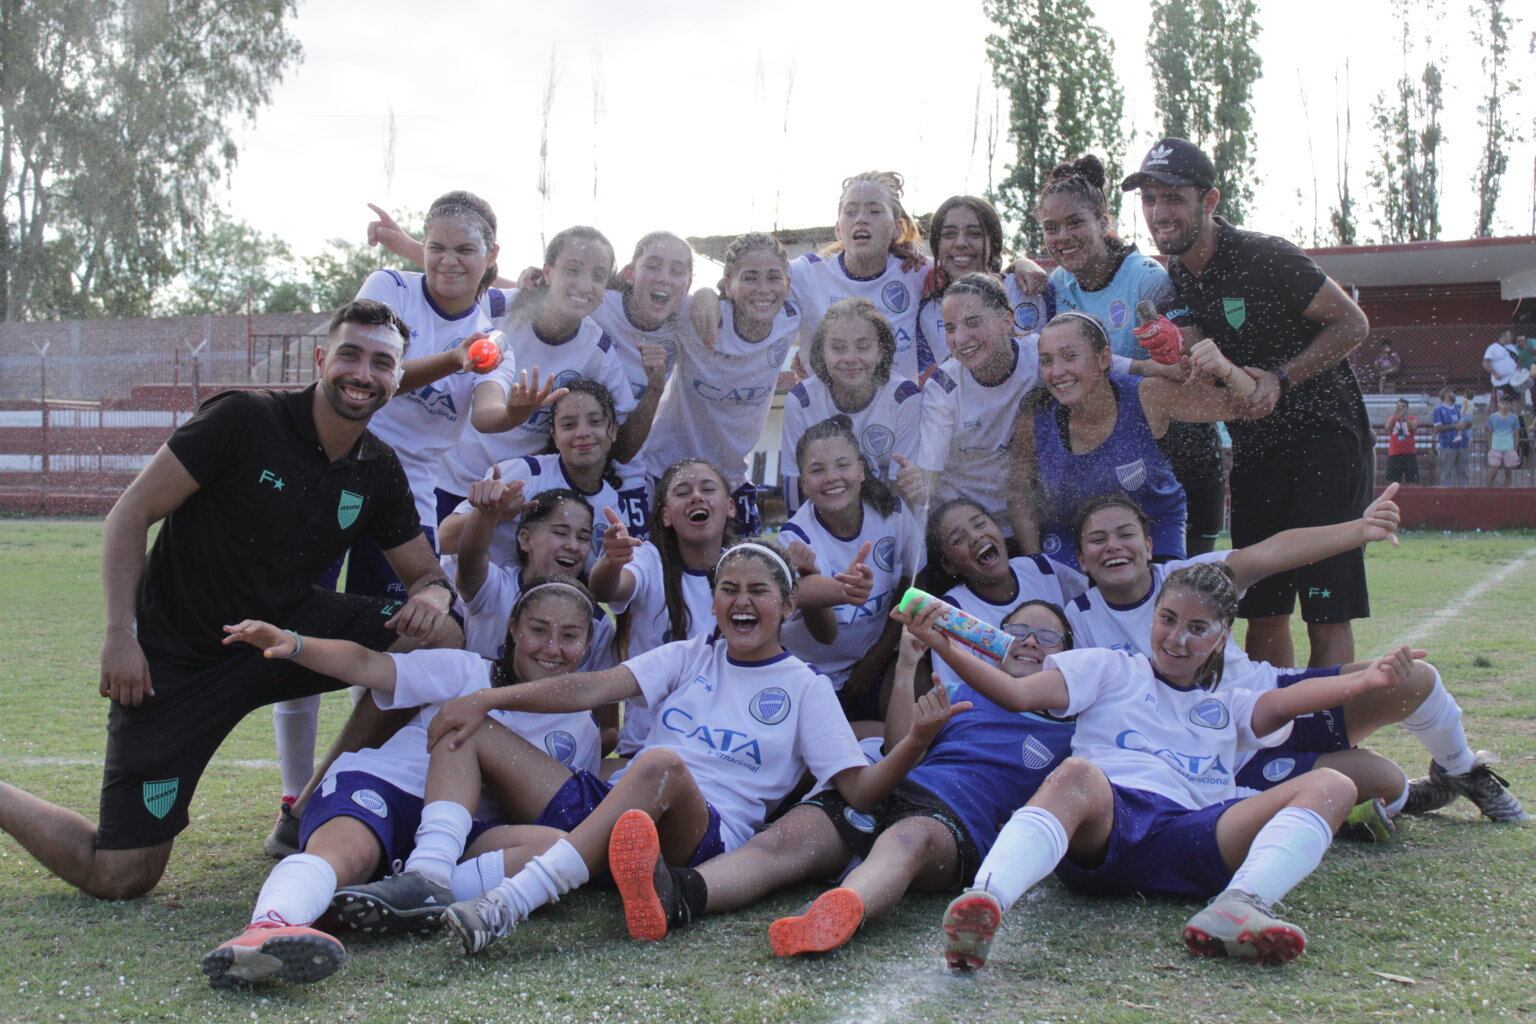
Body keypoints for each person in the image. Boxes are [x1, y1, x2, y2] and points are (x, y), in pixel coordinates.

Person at [0, 301, 462, 900]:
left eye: (381, 362)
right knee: (121, 875)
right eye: (350, 354)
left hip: (280, 636)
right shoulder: (245, 419)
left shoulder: (377, 468)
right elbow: (129, 514)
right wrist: (121, 634)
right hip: (178, 660)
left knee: (442, 640)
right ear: (323, 358)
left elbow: (427, 574)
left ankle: (311, 807)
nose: (363, 373)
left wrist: (430, 593)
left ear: (397, 379)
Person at [334, 539, 960, 955]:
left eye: (759, 591)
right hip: (618, 813)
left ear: (789, 605)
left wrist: (914, 742)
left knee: (660, 763)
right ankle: (427, 879)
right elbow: (593, 686)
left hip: (698, 832)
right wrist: (487, 700)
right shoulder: (691, 654)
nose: (742, 602)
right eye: (729, 589)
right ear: (713, 601)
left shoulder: (806, 687)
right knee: (460, 723)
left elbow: (861, 792)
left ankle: (510, 905)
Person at [907, 565, 1419, 968]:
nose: (1177, 639)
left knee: (1332, 783)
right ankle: (986, 901)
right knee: (1076, 774)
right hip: (1110, 827)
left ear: (1221, 639)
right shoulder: (1109, 667)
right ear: (1153, 616)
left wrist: (1364, 681)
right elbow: (1017, 695)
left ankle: (1239, 905)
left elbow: (1291, 698)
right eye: (1168, 619)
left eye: (1198, 629)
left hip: (1194, 836)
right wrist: (940, 642)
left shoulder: (1231, 703)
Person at [604, 600, 1077, 955]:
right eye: (1017, 630)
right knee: (781, 842)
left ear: (1069, 660)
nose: (1030, 641)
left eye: (1048, 636)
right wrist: (910, 672)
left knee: (906, 842)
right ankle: (677, 896)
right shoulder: (960, 690)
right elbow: (896, 746)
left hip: (955, 821)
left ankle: (835, 912)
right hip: (895, 787)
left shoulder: (1073, 732)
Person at [200, 577, 601, 988]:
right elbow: (367, 665)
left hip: (457, 836)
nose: (552, 648)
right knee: (346, 856)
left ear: (588, 644)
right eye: (538, 629)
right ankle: (265, 930)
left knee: (558, 846)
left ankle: (400, 895)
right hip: (387, 789)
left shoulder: (581, 728)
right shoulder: (466, 669)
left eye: (569, 635)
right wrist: (296, 643)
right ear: (514, 628)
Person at [1064, 493, 1527, 824]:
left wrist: (1359, 529)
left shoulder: (1191, 576)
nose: (1112, 546)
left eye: (1126, 534)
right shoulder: (1077, 618)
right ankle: (1381, 800)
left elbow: (1273, 552)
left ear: (1148, 545)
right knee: (1386, 781)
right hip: (1215, 756)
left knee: (1415, 680)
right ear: (1082, 558)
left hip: (1273, 699)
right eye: (1097, 540)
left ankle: (1462, 769)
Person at [1124, 137, 1373, 670]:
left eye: (1173, 197)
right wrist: (1177, 362)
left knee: (1327, 613)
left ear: (1208, 201)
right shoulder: (1178, 276)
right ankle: (1278, 745)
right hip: (1257, 447)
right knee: (1263, 607)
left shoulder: (1266, 255)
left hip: (1327, 443)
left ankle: (1334, 742)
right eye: (1149, 199)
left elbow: (1354, 322)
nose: (1158, 212)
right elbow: (1195, 354)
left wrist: (1282, 377)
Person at [1035, 155, 1227, 555]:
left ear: (1103, 221)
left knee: (1192, 598)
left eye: (1074, 223)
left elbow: (1188, 369)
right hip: (1110, 471)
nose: (1062, 237)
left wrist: (1127, 365)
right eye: (1051, 228)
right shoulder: (1057, 284)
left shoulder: (1147, 280)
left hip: (1180, 454)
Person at [1008, 310, 1255, 568]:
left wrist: (1225, 369)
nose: (1056, 372)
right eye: (1046, 361)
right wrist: (1034, 563)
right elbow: (1019, 491)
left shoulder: (1147, 396)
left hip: (1152, 533)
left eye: (1069, 356)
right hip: (1071, 538)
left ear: (1104, 358)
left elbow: (1247, 406)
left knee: (1154, 601)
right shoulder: (1036, 418)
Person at [439, 226, 637, 507]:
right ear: (547, 271)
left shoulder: (598, 350)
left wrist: (655, 388)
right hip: (447, 477)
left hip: (517, 495)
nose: (584, 284)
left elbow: (622, 435)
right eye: (572, 270)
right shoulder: (495, 309)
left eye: (598, 276)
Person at [642, 233, 800, 533]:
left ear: (788, 284)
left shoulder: (791, 319)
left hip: (728, 476)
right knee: (659, 570)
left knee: (744, 569)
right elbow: (639, 293)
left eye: (773, 278)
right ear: (728, 283)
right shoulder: (697, 316)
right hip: (662, 469)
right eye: (750, 278)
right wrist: (702, 292)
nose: (763, 289)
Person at [777, 415, 921, 719]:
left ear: (861, 470)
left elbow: (914, 581)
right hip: (807, 676)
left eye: (843, 465)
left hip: (872, 665)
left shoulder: (892, 514)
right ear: (803, 482)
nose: (831, 477)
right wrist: (838, 590)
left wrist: (879, 656)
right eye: (817, 470)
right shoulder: (795, 537)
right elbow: (823, 634)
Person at [438, 378, 650, 573]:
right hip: (465, 602)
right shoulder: (525, 474)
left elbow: (601, 590)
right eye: (568, 425)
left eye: (595, 422)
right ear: (554, 437)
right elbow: (444, 539)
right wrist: (493, 515)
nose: (582, 432)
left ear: (612, 431)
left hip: (536, 607)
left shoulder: (612, 507)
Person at [778, 298, 921, 512]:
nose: (850, 358)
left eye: (862, 347)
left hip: (885, 519)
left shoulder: (903, 397)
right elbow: (795, 485)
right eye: (838, 348)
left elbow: (900, 489)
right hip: (823, 520)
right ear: (822, 352)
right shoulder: (802, 400)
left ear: (881, 351)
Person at [914, 194, 1052, 374]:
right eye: (949, 234)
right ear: (936, 246)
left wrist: (1021, 262)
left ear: (992, 241)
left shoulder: (1031, 287)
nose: (961, 243)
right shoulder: (927, 312)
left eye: (974, 233)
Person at [1432, 387, 1472, 486]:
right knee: (1446, 473)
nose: (1454, 394)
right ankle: (1446, 497)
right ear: (1446, 394)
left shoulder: (1459, 407)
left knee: (1462, 473)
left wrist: (1467, 423)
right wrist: (1455, 426)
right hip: (1447, 445)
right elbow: (1437, 428)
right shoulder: (1439, 409)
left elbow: (1468, 423)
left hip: (1462, 444)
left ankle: (1464, 495)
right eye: (1452, 392)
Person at [1482, 329, 1527, 406]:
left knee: (1517, 399)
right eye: (1510, 336)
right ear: (1503, 337)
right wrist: (1495, 373)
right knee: (1503, 401)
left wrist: (1518, 368)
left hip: (1514, 380)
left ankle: (1517, 416)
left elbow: (1517, 359)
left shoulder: (1512, 347)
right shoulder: (1492, 348)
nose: (1512, 337)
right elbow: (1485, 363)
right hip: (1501, 381)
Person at [1383, 398, 1420, 485]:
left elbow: (1414, 428)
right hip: (1395, 453)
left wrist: (1405, 418)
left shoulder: (1412, 418)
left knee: (1412, 481)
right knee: (1393, 482)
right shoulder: (1392, 418)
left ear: (1407, 408)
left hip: (1409, 454)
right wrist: (1395, 416)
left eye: (1403, 407)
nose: (1401, 408)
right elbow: (1388, 427)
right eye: (1399, 406)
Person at [1487, 394, 1521, 486]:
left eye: (1507, 403)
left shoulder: (1514, 418)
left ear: (1510, 405)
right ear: (1499, 404)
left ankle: (1507, 492)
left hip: (1509, 448)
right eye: (1502, 403)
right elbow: (1489, 432)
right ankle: (1488, 491)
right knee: (1493, 471)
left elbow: (1516, 434)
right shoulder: (1492, 417)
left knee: (1508, 472)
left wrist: (1514, 447)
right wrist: (1490, 446)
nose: (1504, 405)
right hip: (1496, 448)